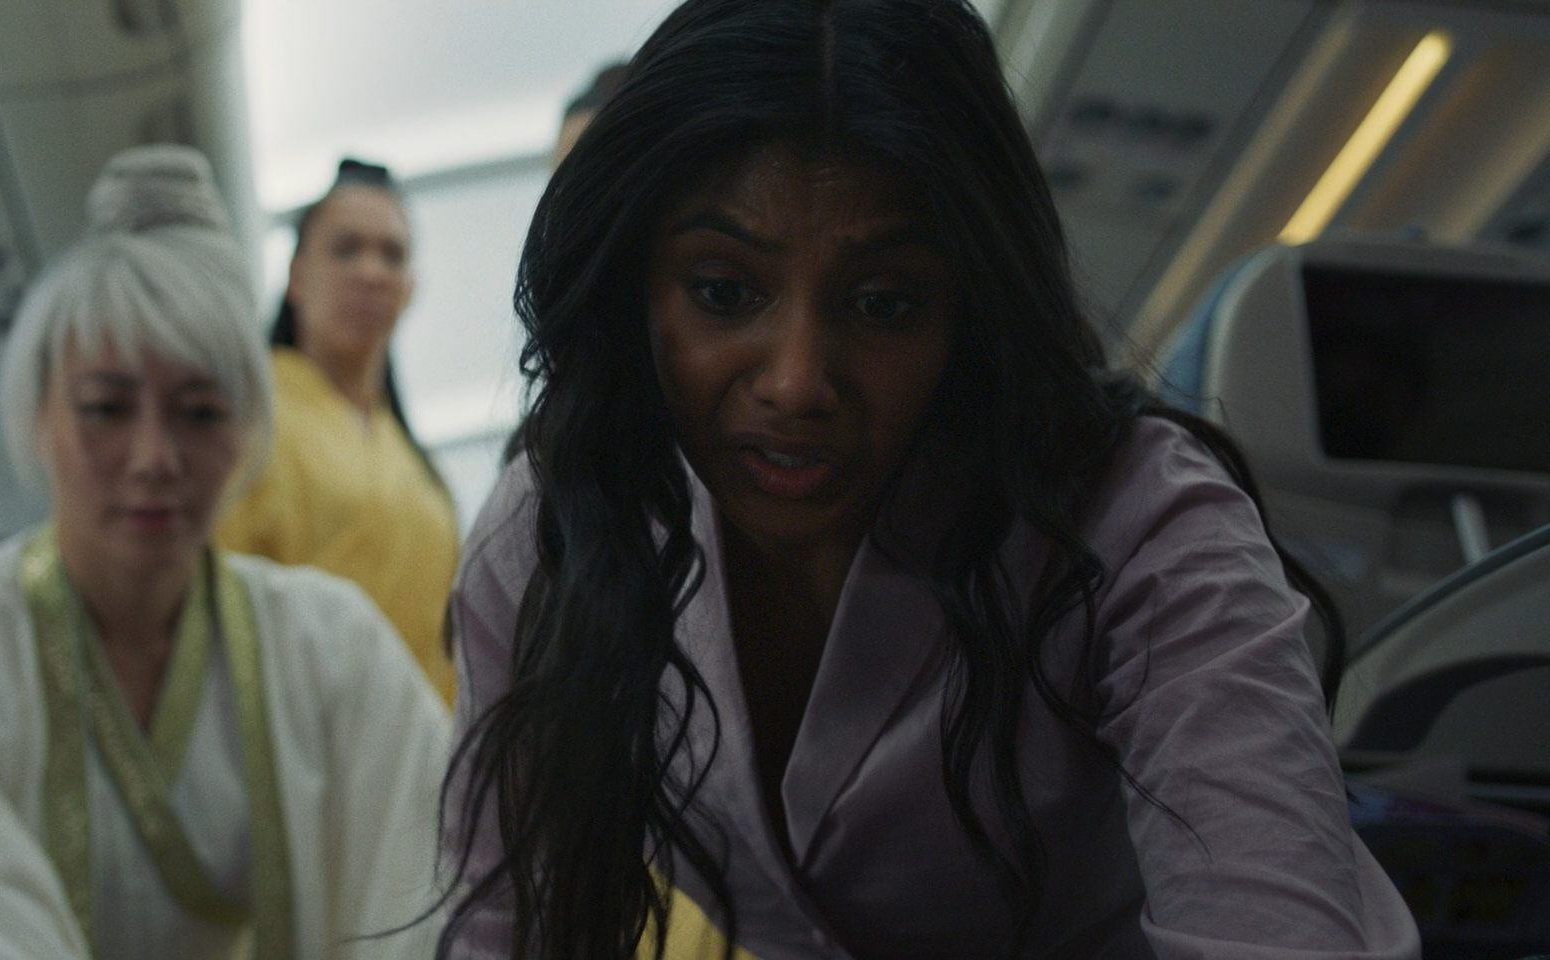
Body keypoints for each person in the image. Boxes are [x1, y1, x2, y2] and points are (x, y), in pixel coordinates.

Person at [440, 1, 1420, 958]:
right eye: (723, 291)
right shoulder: (550, 533)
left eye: (883, 304)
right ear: (632, 292)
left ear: (971, 313)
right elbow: (499, 927)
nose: (797, 381)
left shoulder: (1143, 521)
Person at [0, 145, 448, 960]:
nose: (154, 457)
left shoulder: (340, 654)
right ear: (39, 416)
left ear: (247, 435)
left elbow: (427, 899)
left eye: (199, 412)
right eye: (105, 408)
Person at [218, 159, 461, 706]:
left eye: (392, 255)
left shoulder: (421, 472)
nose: (372, 272)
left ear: (410, 288)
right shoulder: (243, 421)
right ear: (297, 276)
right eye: (346, 249)